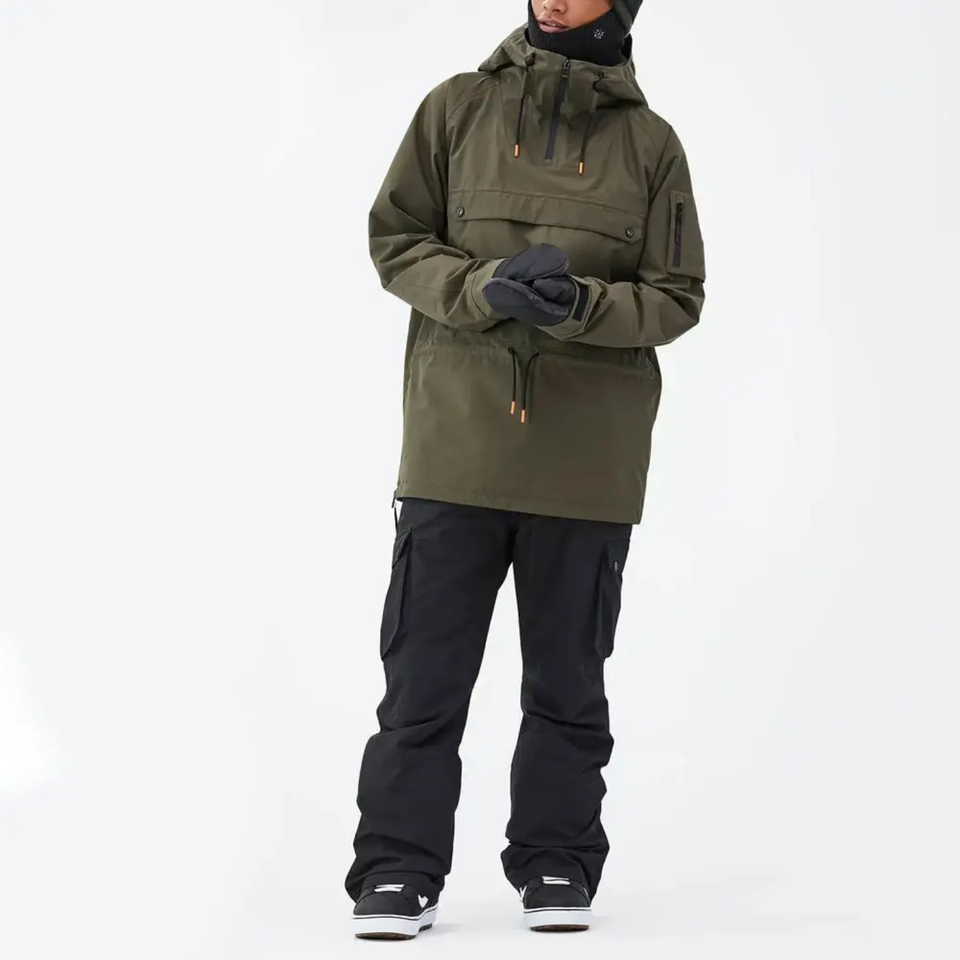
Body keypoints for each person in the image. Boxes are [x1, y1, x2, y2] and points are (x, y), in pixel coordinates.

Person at [346, 0, 705, 939]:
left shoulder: (652, 146)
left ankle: (556, 860)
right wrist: (483, 289)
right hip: (452, 452)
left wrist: (578, 305)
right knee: (421, 682)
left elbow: (676, 296)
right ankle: (396, 869)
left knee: (567, 684)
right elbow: (395, 240)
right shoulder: (454, 109)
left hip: (587, 467)